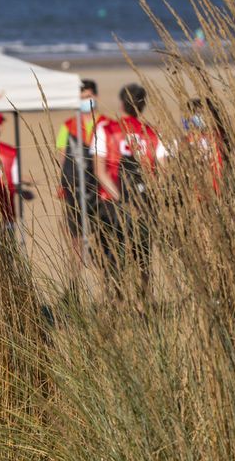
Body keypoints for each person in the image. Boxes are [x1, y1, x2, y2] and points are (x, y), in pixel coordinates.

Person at [91, 83, 168, 300]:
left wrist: (119, 200)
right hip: (144, 204)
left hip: (111, 203)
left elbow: (99, 171)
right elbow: (162, 172)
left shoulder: (106, 129)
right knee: (143, 258)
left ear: (121, 103)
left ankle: (117, 304)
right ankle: (145, 305)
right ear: (143, 106)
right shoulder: (152, 133)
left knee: (113, 259)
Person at [55, 79, 107, 265]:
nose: (86, 100)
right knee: (75, 234)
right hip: (75, 185)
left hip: (100, 188)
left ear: (96, 96)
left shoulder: (106, 124)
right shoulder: (68, 125)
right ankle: (75, 273)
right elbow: (63, 156)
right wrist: (63, 183)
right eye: (82, 98)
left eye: (89, 96)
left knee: (102, 234)